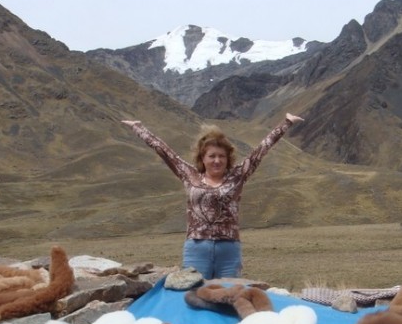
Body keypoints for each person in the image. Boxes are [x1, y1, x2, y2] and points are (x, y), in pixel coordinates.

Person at [122, 113, 303, 279]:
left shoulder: (237, 176)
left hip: (229, 249)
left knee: (228, 297)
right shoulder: (189, 175)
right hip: (196, 248)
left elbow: (261, 150)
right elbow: (164, 151)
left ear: (228, 158)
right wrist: (138, 128)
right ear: (203, 158)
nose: (217, 160)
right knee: (193, 295)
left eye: (221, 156)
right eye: (212, 156)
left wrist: (286, 123)